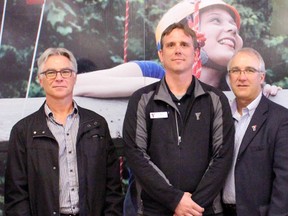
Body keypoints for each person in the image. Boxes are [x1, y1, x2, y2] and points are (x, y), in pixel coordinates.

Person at [123, 23, 234, 216]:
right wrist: (175, 201)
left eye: (184, 44)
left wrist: (192, 207)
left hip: (203, 210)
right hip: (153, 210)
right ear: (161, 54)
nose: (177, 50)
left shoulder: (215, 100)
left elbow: (222, 156)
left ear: (196, 53)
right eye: (171, 45)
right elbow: (136, 155)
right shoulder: (142, 99)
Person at [4, 47, 123, 216]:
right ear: (40, 79)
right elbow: (16, 196)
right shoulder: (23, 131)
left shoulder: (97, 125)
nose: (59, 78)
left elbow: (113, 189)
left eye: (65, 71)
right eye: (51, 72)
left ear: (74, 77)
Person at [73, 0, 243, 98]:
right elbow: (74, 84)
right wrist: (161, 86)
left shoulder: (239, 90)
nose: (232, 29)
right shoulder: (152, 74)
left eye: (233, 24)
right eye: (216, 20)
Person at [222, 47, 288, 216]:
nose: (242, 77)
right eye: (235, 70)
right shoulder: (219, 117)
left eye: (250, 70)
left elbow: (284, 180)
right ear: (229, 77)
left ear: (262, 77)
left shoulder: (280, 119)